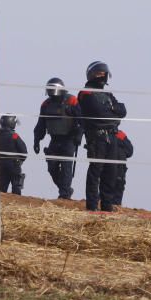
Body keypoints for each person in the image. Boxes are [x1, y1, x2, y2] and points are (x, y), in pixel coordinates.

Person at [77, 61, 127, 212]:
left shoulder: (107, 94)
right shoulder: (85, 93)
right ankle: (92, 206)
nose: (101, 76)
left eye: (103, 73)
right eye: (98, 73)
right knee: (96, 170)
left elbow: (122, 110)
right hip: (97, 137)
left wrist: (111, 109)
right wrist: (112, 111)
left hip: (112, 136)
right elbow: (98, 113)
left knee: (111, 171)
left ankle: (107, 206)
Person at [32, 77, 82, 199]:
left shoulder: (72, 100)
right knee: (52, 167)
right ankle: (65, 189)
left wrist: (78, 135)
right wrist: (37, 140)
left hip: (69, 139)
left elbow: (81, 120)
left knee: (66, 167)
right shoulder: (46, 104)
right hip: (54, 140)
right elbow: (41, 124)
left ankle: (64, 195)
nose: (51, 93)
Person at [0, 114, 28, 194]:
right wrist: (20, 161)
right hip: (14, 165)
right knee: (16, 188)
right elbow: (24, 151)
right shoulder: (14, 136)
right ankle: (17, 203)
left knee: (1, 188)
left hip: (2, 164)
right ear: (11, 123)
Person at [113, 128, 133, 206]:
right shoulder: (119, 134)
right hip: (115, 169)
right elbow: (129, 151)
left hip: (119, 169)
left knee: (117, 187)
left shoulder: (120, 134)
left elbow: (130, 151)